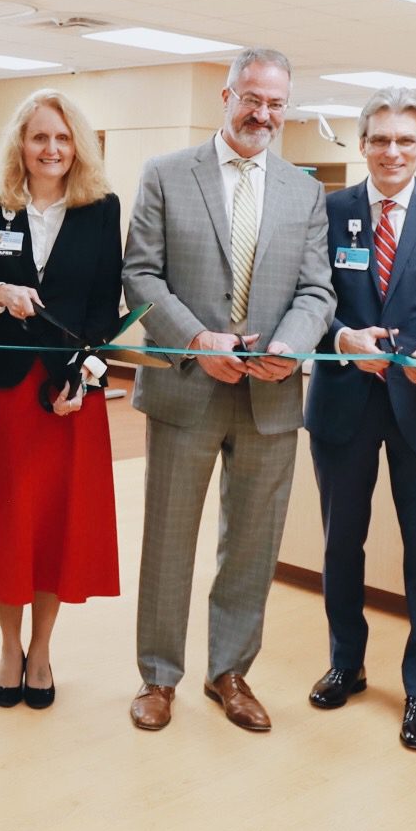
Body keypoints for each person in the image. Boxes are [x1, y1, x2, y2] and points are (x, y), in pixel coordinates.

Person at [123, 47, 334, 734]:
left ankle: (230, 672)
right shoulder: (165, 175)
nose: (262, 113)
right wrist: (195, 341)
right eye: (252, 97)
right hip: (188, 388)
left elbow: (316, 289)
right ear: (226, 95)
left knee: (252, 544)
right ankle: (159, 677)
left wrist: (291, 345)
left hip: (270, 395)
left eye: (275, 103)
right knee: (169, 540)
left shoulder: (304, 192)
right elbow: (143, 276)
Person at [301, 88, 416, 751]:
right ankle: (346, 663)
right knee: (339, 546)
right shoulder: (325, 211)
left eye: (406, 140)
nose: (392, 151)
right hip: (344, 403)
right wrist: (342, 338)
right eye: (380, 139)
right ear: (362, 144)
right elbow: (308, 299)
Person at [0, 88, 123, 711]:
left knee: (52, 528)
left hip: (67, 394)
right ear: (21, 141)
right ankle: (9, 648)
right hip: (0, 392)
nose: (52, 149)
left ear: (80, 147)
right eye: (40, 137)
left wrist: (85, 376)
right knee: (7, 525)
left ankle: (42, 650)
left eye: (64, 139)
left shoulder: (101, 209)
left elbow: (103, 308)